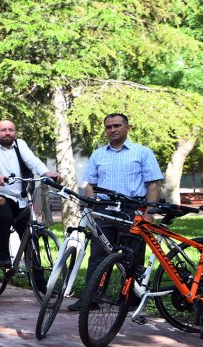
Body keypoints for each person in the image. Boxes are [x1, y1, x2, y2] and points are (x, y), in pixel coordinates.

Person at [68, 113, 163, 311]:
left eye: (117, 125)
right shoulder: (98, 154)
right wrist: (90, 210)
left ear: (128, 127)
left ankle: (130, 299)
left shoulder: (143, 152)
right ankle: (90, 299)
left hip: (132, 209)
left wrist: (149, 214)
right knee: (97, 256)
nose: (113, 130)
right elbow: (91, 185)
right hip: (104, 211)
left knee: (132, 256)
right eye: (109, 127)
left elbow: (153, 185)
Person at [0, 119, 59, 290]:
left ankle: (40, 285)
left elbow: (33, 161)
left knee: (31, 237)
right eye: (3, 130)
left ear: (15, 132)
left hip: (20, 197)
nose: (7, 133)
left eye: (11, 130)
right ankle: (3, 257)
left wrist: (47, 173)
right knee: (5, 215)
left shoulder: (20, 144)